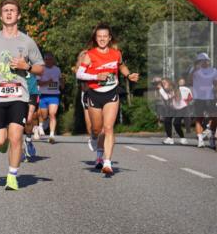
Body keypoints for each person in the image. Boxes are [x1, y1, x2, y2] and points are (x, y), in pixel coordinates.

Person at [0, 0, 44, 190]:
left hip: (19, 96)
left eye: (12, 10)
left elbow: (41, 68)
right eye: (5, 10)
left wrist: (27, 66)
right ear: (0, 15)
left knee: (16, 136)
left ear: (18, 15)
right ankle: (3, 144)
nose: (8, 13)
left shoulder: (27, 41)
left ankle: (12, 175)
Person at [75, 24, 140, 174]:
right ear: (95, 38)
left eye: (105, 36)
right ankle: (97, 146)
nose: (102, 39)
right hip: (95, 94)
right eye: (99, 36)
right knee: (97, 129)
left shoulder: (116, 53)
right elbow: (79, 74)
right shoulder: (90, 55)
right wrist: (95, 76)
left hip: (111, 93)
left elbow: (121, 66)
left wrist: (128, 75)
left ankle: (107, 162)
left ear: (110, 38)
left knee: (108, 128)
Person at [189, 53, 217, 149]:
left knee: (214, 117)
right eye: (202, 60)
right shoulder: (194, 70)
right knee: (199, 119)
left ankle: (211, 134)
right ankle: (200, 140)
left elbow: (215, 83)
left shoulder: (214, 70)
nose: (204, 62)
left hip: (210, 97)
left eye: (206, 60)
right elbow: (191, 81)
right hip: (198, 98)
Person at [37, 53, 62, 144]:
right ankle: (42, 123)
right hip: (43, 95)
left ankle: (51, 135)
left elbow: (60, 79)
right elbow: (38, 83)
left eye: (50, 59)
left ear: (53, 60)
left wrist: (62, 83)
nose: (48, 61)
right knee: (44, 115)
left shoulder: (57, 69)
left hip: (54, 95)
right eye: (46, 59)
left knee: (52, 114)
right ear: (44, 60)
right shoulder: (41, 69)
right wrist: (48, 82)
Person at [155, 77, 187, 145]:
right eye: (162, 83)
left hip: (181, 108)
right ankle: (170, 138)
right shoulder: (165, 90)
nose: (163, 84)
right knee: (167, 121)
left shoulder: (174, 88)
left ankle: (183, 138)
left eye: (164, 83)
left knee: (176, 123)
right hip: (173, 108)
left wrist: (160, 89)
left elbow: (167, 97)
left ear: (169, 83)